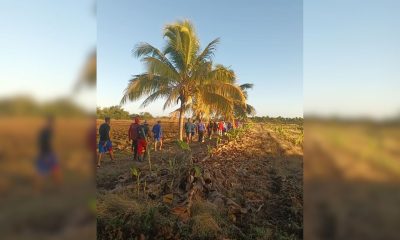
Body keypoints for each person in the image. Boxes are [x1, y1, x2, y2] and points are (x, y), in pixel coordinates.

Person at [35, 116, 62, 191]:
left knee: (52, 170)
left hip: (45, 153)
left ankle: (56, 187)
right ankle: (39, 189)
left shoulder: (45, 132)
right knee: (44, 172)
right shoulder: (46, 133)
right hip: (47, 154)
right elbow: (45, 144)